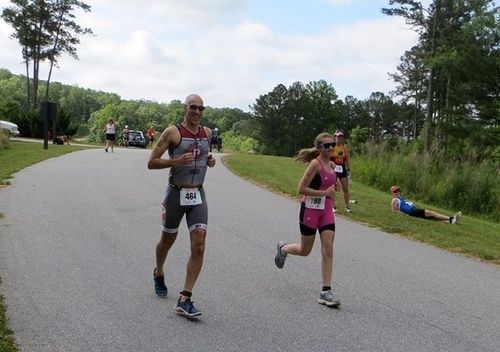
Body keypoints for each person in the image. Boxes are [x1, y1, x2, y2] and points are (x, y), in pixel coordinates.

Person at [148, 94, 216, 318]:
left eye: (201, 108)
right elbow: (152, 162)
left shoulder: (207, 133)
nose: (197, 112)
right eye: (193, 107)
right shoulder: (173, 132)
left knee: (199, 244)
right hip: (175, 195)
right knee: (167, 240)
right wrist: (176, 161)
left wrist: (209, 160)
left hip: (197, 195)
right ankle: (159, 271)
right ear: (185, 108)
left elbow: (203, 155)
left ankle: (185, 298)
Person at [275, 132, 341, 308]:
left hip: (326, 211)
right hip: (310, 210)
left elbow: (331, 185)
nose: (331, 148)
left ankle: (325, 291)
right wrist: (325, 193)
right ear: (319, 147)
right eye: (327, 145)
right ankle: (284, 249)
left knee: (328, 249)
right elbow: (301, 188)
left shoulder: (333, 165)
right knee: (305, 250)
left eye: (332, 144)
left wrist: (335, 186)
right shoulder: (315, 164)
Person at [390, 186, 461, 223]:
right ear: (392, 193)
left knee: (430, 217)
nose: (397, 192)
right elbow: (394, 210)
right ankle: (450, 218)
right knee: (432, 213)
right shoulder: (394, 200)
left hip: (413, 210)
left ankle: (449, 221)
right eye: (395, 191)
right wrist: (405, 214)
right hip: (412, 211)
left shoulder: (400, 198)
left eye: (398, 190)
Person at [330, 130, 352, 213]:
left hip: (342, 168)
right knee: (333, 187)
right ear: (335, 137)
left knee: (345, 187)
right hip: (333, 167)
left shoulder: (344, 147)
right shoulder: (331, 146)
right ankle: (333, 206)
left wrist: (349, 170)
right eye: (338, 137)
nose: (340, 139)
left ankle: (347, 206)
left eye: (341, 138)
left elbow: (347, 159)